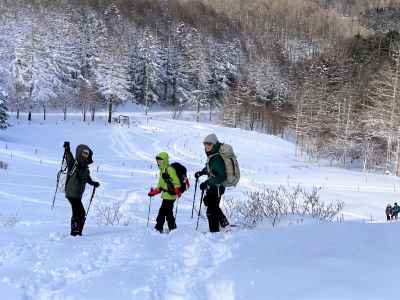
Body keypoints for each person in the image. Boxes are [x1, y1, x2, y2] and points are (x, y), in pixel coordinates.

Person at [64, 142, 100, 236]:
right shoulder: (74, 164)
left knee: (80, 212)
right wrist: (67, 150)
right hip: (72, 193)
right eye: (84, 153)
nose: (86, 156)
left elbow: (87, 178)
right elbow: (69, 160)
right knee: (79, 212)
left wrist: (93, 183)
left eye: (87, 154)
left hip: (76, 194)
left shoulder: (84, 168)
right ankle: (75, 232)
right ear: (80, 153)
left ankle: (77, 231)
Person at [195, 133, 229, 233]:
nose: (206, 146)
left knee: (211, 210)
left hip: (217, 187)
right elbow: (210, 168)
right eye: (205, 144)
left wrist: (207, 183)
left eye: (209, 144)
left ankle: (214, 233)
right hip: (213, 186)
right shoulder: (213, 156)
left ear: (214, 145)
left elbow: (222, 176)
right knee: (210, 204)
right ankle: (224, 223)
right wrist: (201, 172)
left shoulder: (217, 158)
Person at [148, 152, 181, 233]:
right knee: (168, 212)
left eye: (160, 160)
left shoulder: (170, 169)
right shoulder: (162, 171)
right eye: (157, 160)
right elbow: (160, 186)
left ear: (165, 160)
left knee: (162, 212)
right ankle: (172, 228)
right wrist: (153, 192)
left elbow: (177, 182)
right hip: (166, 195)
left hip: (170, 195)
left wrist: (177, 190)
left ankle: (159, 228)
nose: (158, 161)